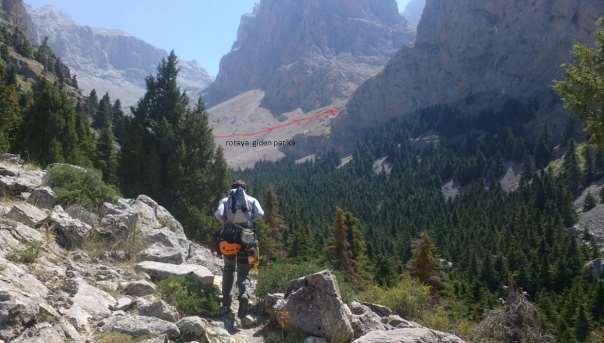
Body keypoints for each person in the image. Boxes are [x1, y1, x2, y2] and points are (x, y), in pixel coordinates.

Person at [214, 180, 264, 318]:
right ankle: (244, 294)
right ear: (245, 189)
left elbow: (218, 214)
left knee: (229, 269)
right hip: (247, 239)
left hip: (229, 237)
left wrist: (226, 222)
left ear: (232, 189)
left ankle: (226, 301)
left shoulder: (225, 200)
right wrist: (250, 221)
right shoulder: (252, 200)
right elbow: (261, 214)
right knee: (244, 271)